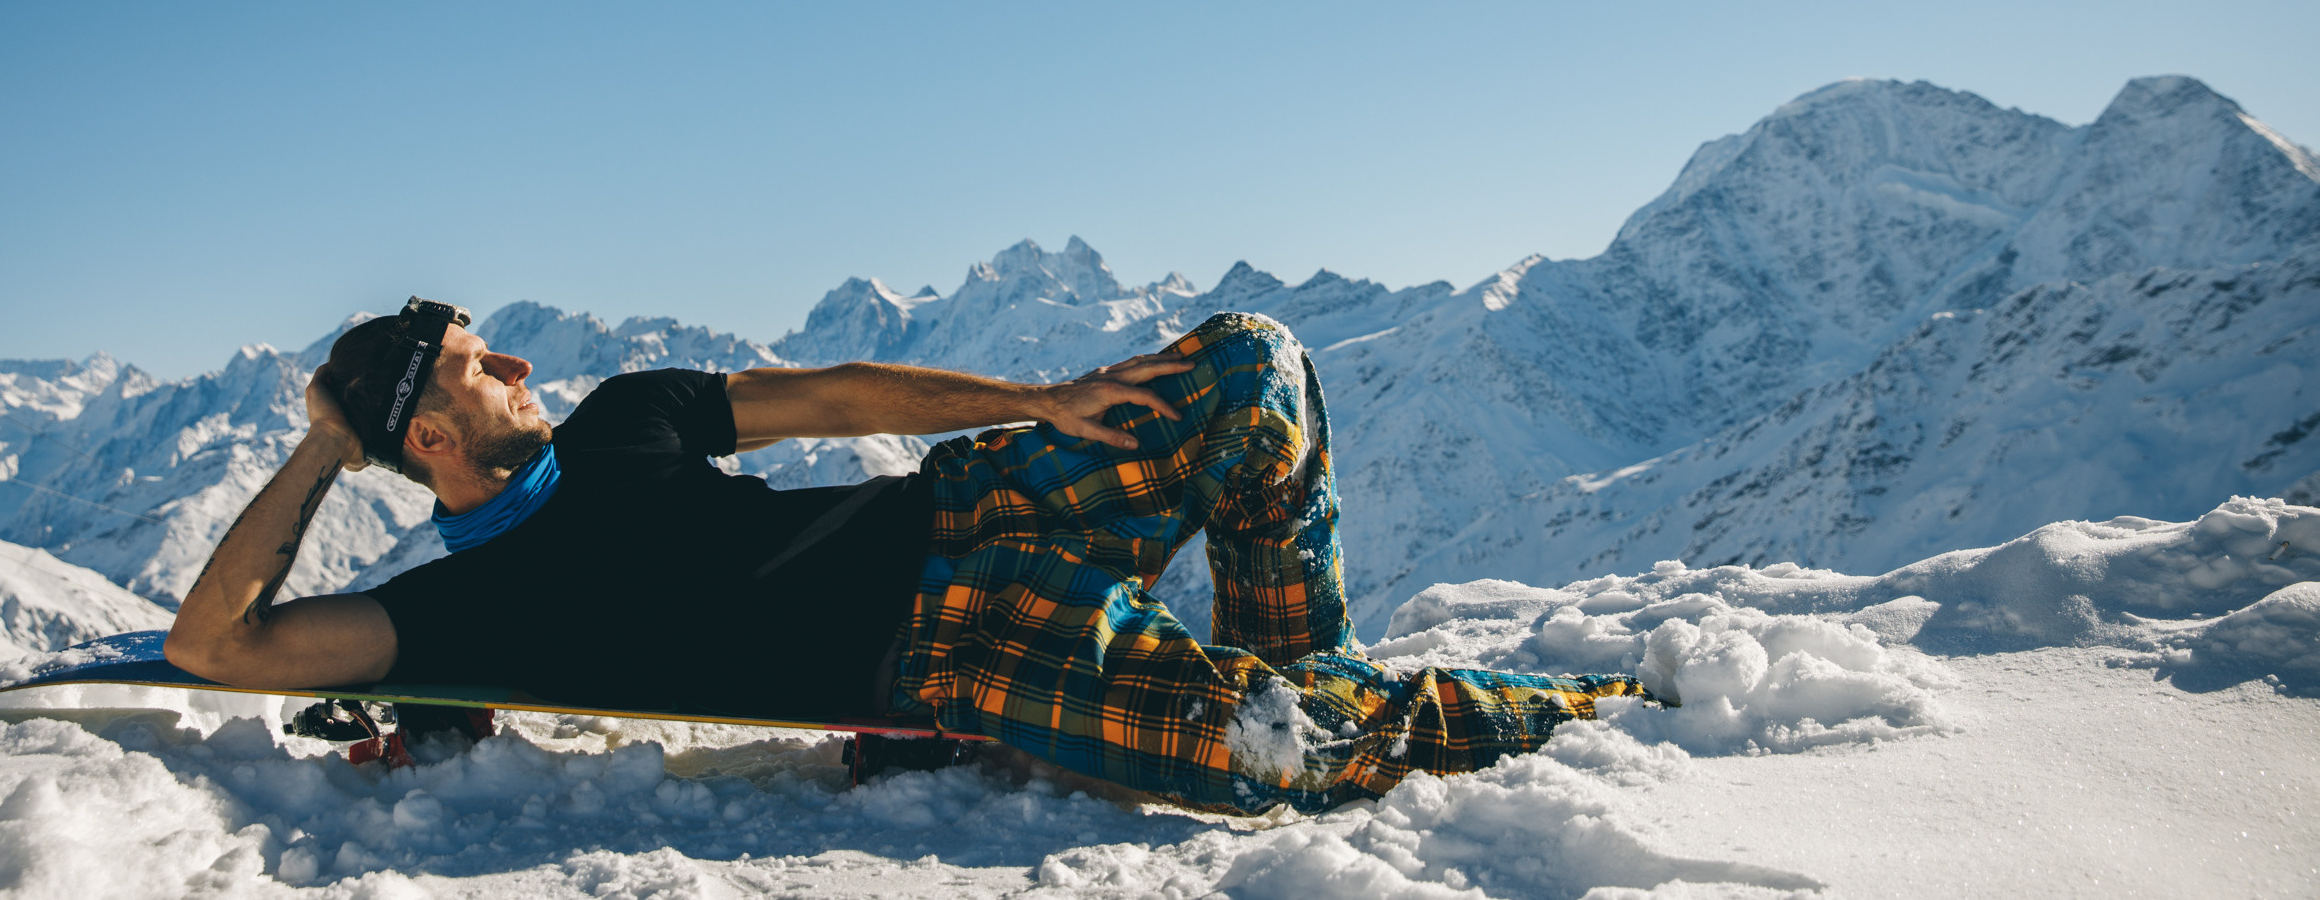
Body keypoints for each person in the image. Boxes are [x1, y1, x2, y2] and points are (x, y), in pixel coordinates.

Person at [165, 298, 1642, 814]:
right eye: (486, 366)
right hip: (957, 661)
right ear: (423, 431)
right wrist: (319, 445)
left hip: (966, 511)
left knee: (1254, 369)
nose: (524, 362)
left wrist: (1039, 402)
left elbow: (837, 399)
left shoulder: (621, 423)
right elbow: (216, 649)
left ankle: (1302, 661)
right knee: (1288, 752)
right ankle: (1588, 717)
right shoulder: (457, 614)